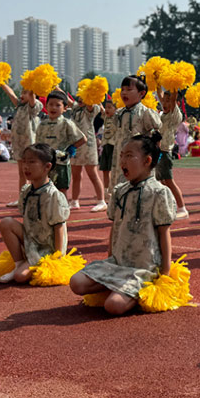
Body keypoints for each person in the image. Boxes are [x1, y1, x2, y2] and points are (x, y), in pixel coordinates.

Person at [70, 132, 175, 315]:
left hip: (142, 268)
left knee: (113, 306)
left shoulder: (159, 193)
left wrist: (164, 273)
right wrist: (109, 259)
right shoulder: (120, 191)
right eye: (121, 156)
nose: (123, 161)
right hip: (117, 263)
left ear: (147, 161)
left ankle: (132, 293)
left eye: (129, 156)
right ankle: (117, 287)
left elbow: (164, 232)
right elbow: (115, 226)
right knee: (76, 283)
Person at [0, 144, 70, 284]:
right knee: (6, 222)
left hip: (46, 247)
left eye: (31, 162)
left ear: (47, 167)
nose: (26, 167)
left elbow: (59, 227)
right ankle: (19, 263)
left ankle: (29, 264)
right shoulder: (26, 191)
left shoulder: (54, 195)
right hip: (30, 240)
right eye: (24, 161)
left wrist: (58, 257)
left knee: (20, 277)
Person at [108, 76, 160, 194]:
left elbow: (156, 136)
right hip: (120, 157)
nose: (124, 93)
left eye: (129, 90)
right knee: (120, 189)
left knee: (139, 189)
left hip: (139, 159)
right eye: (123, 90)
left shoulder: (146, 112)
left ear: (141, 93)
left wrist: (156, 157)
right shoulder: (119, 113)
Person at [35, 90, 86, 197]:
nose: (53, 108)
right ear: (46, 106)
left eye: (58, 105)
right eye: (51, 105)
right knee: (44, 188)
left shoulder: (66, 123)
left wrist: (70, 150)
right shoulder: (42, 125)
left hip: (61, 163)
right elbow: (37, 144)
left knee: (61, 189)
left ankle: (62, 210)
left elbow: (82, 139)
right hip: (45, 163)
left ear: (65, 108)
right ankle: (46, 210)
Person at [1, 83, 43, 207]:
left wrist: (31, 90)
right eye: (22, 92)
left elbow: (32, 98)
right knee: (22, 173)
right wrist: (2, 83)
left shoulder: (34, 106)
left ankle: (34, 198)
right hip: (19, 145)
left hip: (30, 145)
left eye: (25, 92)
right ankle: (22, 198)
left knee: (33, 173)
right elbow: (11, 94)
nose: (22, 95)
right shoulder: (19, 106)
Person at [154, 89, 189, 220]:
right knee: (160, 181)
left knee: (169, 181)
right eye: (164, 100)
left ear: (176, 103)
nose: (165, 102)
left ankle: (182, 208)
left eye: (169, 100)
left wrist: (174, 85)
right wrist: (157, 82)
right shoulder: (162, 114)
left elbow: (173, 99)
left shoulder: (175, 114)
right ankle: (166, 206)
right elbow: (160, 95)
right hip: (158, 151)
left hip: (165, 151)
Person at [70, 95, 106, 212]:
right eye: (79, 96)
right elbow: (66, 99)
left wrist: (91, 95)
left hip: (88, 146)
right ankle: (75, 201)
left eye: (83, 96)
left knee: (92, 174)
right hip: (76, 145)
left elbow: (90, 104)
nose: (80, 99)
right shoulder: (76, 108)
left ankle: (101, 201)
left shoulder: (91, 109)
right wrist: (55, 85)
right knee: (76, 175)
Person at [98, 99, 117, 196]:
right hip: (105, 145)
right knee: (105, 169)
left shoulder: (117, 118)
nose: (107, 109)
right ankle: (106, 189)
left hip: (114, 146)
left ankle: (113, 189)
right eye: (106, 107)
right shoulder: (106, 118)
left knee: (113, 170)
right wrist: (97, 99)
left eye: (110, 107)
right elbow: (101, 109)